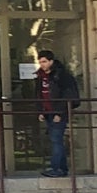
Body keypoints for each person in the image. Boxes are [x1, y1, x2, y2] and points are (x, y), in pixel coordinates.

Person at [35, 49, 80, 178]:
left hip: (58, 112)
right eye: (40, 62)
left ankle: (56, 168)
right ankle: (62, 169)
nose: (42, 64)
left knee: (56, 140)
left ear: (51, 61)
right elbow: (39, 95)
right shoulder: (40, 77)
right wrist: (40, 111)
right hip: (48, 112)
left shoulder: (62, 76)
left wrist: (59, 112)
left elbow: (68, 95)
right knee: (56, 140)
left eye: (44, 61)